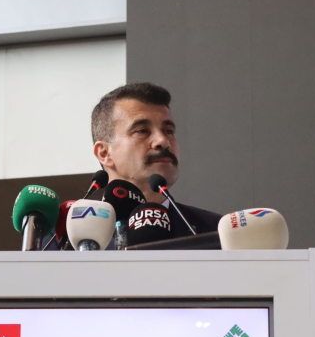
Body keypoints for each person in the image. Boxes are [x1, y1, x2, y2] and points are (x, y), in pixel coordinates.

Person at [91, 82, 222, 238]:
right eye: (142, 131)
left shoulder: (219, 234)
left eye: (169, 131)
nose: (163, 141)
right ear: (104, 153)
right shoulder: (68, 238)